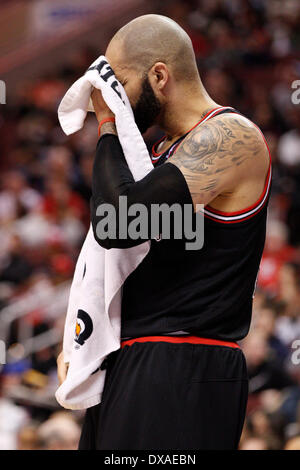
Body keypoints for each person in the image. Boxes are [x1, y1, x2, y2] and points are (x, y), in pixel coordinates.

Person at [57, 14, 271, 450]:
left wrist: (106, 124)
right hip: (133, 360)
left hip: (184, 364)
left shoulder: (231, 137)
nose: (110, 97)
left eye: (119, 84)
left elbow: (119, 223)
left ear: (159, 76)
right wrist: (83, 336)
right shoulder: (160, 155)